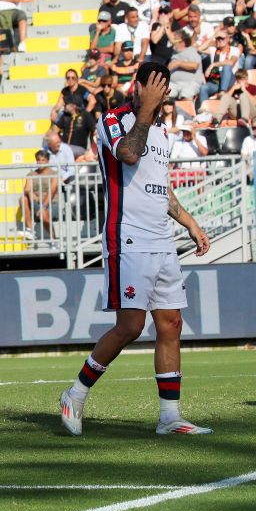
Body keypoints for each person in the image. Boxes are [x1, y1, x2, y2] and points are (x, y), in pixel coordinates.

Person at [59, 64, 214, 437]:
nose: (163, 98)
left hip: (161, 238)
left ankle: (170, 417)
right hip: (128, 236)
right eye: (156, 90)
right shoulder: (113, 120)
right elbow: (129, 153)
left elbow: (160, 186)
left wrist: (190, 224)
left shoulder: (161, 131)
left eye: (165, 92)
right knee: (130, 325)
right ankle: (75, 394)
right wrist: (145, 109)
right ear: (140, 88)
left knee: (171, 324)